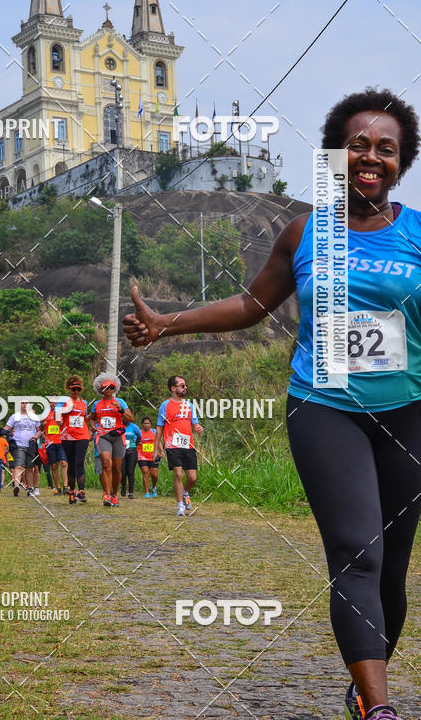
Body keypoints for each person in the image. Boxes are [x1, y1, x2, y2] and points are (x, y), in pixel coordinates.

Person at [124, 87, 421, 720]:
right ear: (337, 154)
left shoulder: (418, 233)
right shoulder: (304, 231)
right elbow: (250, 305)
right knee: (357, 551)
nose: (371, 157)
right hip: (324, 407)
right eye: (358, 145)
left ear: (402, 162)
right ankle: (379, 709)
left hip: (408, 412)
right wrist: (165, 324)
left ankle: (364, 686)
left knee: (392, 567)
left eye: (386, 149)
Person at [154, 377, 203, 516]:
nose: (185, 387)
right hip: (172, 444)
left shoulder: (189, 405)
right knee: (178, 474)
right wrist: (156, 448)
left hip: (188, 444)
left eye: (185, 385)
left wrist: (199, 428)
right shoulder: (165, 405)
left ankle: (185, 492)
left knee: (192, 478)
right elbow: (159, 428)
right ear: (173, 388)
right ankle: (180, 506)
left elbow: (195, 424)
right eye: (182, 385)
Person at [89, 372, 133, 507]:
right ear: (101, 389)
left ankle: (114, 494)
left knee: (117, 468)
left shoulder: (120, 402)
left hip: (118, 436)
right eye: (106, 388)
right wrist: (93, 427)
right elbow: (91, 418)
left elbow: (130, 418)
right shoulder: (97, 404)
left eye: (111, 387)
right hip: (103, 436)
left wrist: (121, 410)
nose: (109, 390)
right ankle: (107, 494)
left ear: (115, 389)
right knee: (106, 463)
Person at [60, 375, 90, 504]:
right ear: (69, 389)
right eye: (73, 389)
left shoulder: (84, 403)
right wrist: (61, 416)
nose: (76, 391)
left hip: (82, 435)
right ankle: (72, 491)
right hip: (67, 436)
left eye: (78, 389)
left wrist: (90, 421)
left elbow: (84, 417)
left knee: (79, 462)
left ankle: (81, 491)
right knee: (71, 464)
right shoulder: (64, 401)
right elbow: (58, 418)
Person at [3, 401, 41, 497]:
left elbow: (40, 430)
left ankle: (30, 488)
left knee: (30, 467)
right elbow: (6, 428)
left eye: (26, 403)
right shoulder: (14, 416)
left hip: (30, 445)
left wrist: (35, 437)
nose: (24, 404)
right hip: (18, 444)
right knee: (18, 466)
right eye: (22, 403)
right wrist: (9, 434)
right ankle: (16, 486)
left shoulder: (34, 417)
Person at [43, 397, 69, 496]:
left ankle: (65, 486)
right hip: (50, 442)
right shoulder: (46, 413)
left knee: (64, 463)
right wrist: (43, 424)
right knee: (54, 466)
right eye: (51, 403)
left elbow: (65, 424)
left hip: (61, 441)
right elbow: (42, 426)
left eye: (54, 402)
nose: (52, 404)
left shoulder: (63, 413)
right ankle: (58, 488)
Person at [137, 417, 158, 498]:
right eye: (145, 423)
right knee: (145, 473)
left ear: (150, 424)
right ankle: (146, 492)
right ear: (142, 424)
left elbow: (157, 442)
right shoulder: (139, 432)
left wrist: (161, 451)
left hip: (153, 455)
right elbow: (136, 442)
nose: (146, 425)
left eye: (148, 423)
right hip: (141, 456)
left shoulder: (154, 431)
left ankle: (153, 487)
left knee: (154, 475)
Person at [120, 416, 141, 498]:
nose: (125, 419)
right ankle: (123, 487)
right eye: (124, 418)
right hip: (121, 450)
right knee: (123, 471)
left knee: (131, 471)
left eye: (127, 418)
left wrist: (135, 444)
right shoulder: (119, 425)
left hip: (132, 450)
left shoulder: (134, 427)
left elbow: (139, 436)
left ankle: (131, 492)